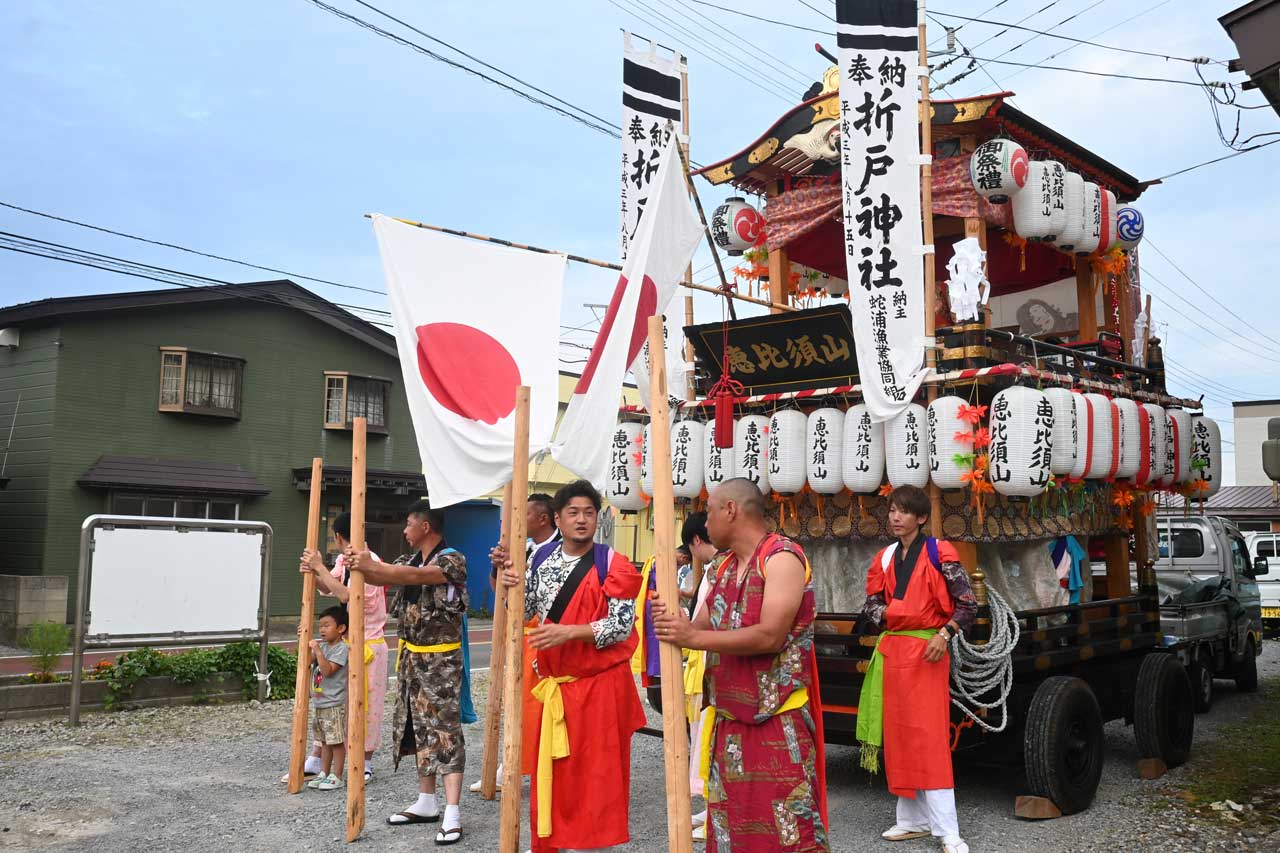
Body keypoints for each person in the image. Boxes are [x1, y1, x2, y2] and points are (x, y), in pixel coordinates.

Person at [651, 479, 829, 852]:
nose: (706, 521)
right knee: (732, 831)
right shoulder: (723, 566)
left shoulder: (781, 557)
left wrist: (693, 639)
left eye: (710, 510)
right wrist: (673, 621)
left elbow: (769, 636)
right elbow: (699, 627)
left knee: (786, 834)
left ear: (730, 510)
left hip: (778, 722)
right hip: (730, 724)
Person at [496, 479, 644, 853]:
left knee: (595, 779)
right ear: (557, 519)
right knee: (554, 773)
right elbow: (524, 611)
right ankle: (552, 839)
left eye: (589, 513)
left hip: (599, 689)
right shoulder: (538, 559)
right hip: (556, 687)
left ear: (598, 518)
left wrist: (569, 634)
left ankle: (589, 846)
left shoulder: (614, 564)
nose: (582, 520)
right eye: (574, 513)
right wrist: (504, 579)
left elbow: (621, 626)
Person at [857, 484, 977, 853]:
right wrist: (890, 616)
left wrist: (945, 633)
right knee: (899, 736)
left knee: (929, 738)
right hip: (894, 652)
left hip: (928, 651)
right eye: (892, 510)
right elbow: (872, 605)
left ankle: (947, 830)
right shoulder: (885, 558)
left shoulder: (941, 552)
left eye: (904, 511)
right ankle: (912, 820)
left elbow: (967, 604)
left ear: (921, 517)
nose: (895, 517)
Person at [346, 500, 467, 846]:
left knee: (444, 731)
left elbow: (413, 577)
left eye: (409, 523)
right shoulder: (407, 559)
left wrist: (371, 565)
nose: (404, 530)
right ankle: (427, 801)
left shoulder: (451, 560)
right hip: (412, 659)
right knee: (416, 728)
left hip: (441, 662)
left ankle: (453, 810)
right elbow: (380, 575)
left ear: (426, 526)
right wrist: (359, 563)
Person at [470, 492, 560, 794]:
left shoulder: (559, 551)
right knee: (518, 704)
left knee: (539, 707)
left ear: (543, 519)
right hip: (522, 635)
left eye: (525, 515)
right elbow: (503, 595)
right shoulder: (529, 551)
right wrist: (499, 568)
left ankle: (533, 769)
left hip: (546, 638)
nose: (518, 522)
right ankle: (511, 764)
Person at [297, 512, 386, 782]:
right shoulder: (341, 561)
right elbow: (330, 587)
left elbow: (348, 595)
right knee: (330, 697)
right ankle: (318, 752)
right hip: (344, 641)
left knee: (367, 704)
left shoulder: (369, 561)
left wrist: (319, 568)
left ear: (337, 536)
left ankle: (364, 760)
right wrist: (314, 571)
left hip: (369, 642)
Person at [307, 605, 349, 791]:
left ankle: (337, 775)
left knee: (336, 741)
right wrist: (304, 639)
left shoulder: (341, 649)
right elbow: (305, 661)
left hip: (334, 702)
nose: (322, 630)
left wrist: (317, 651)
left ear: (341, 628)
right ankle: (324, 772)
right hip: (319, 702)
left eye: (326, 625)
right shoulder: (323, 646)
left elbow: (328, 671)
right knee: (323, 741)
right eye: (320, 626)